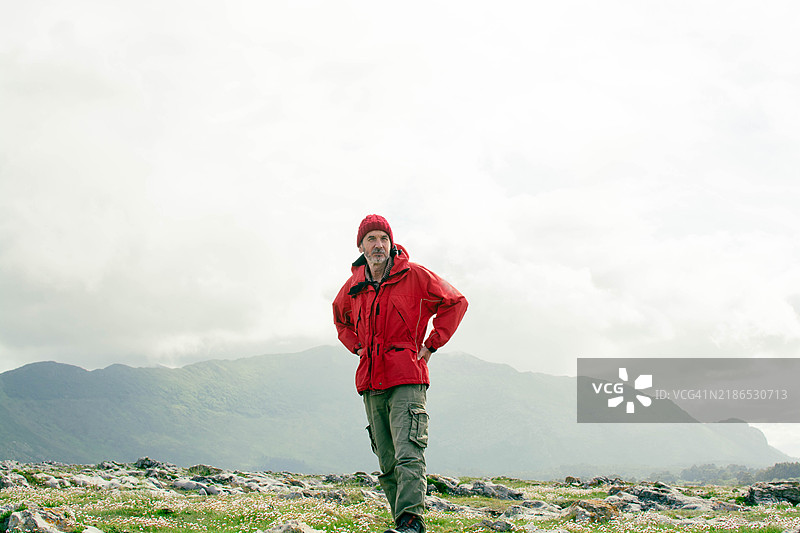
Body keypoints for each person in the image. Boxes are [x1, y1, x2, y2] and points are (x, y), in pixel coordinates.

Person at [332, 214, 468, 533]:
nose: (378, 245)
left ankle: (411, 521)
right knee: (386, 459)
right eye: (371, 239)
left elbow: (456, 302)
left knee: (409, 450)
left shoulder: (415, 275)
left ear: (391, 243)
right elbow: (340, 319)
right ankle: (402, 521)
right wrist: (356, 346)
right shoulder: (354, 286)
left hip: (407, 373)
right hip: (370, 378)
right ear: (361, 246)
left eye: (383, 238)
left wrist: (432, 344)